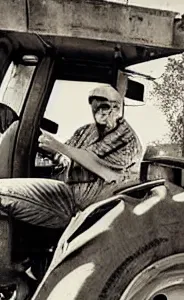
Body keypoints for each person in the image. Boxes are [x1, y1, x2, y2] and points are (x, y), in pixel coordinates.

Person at [0, 84, 143, 230]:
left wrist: (58, 146)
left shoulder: (124, 135)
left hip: (83, 208)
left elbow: (95, 162)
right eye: (95, 107)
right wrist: (52, 152)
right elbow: (66, 158)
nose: (100, 112)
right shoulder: (86, 131)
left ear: (118, 108)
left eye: (105, 107)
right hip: (64, 193)